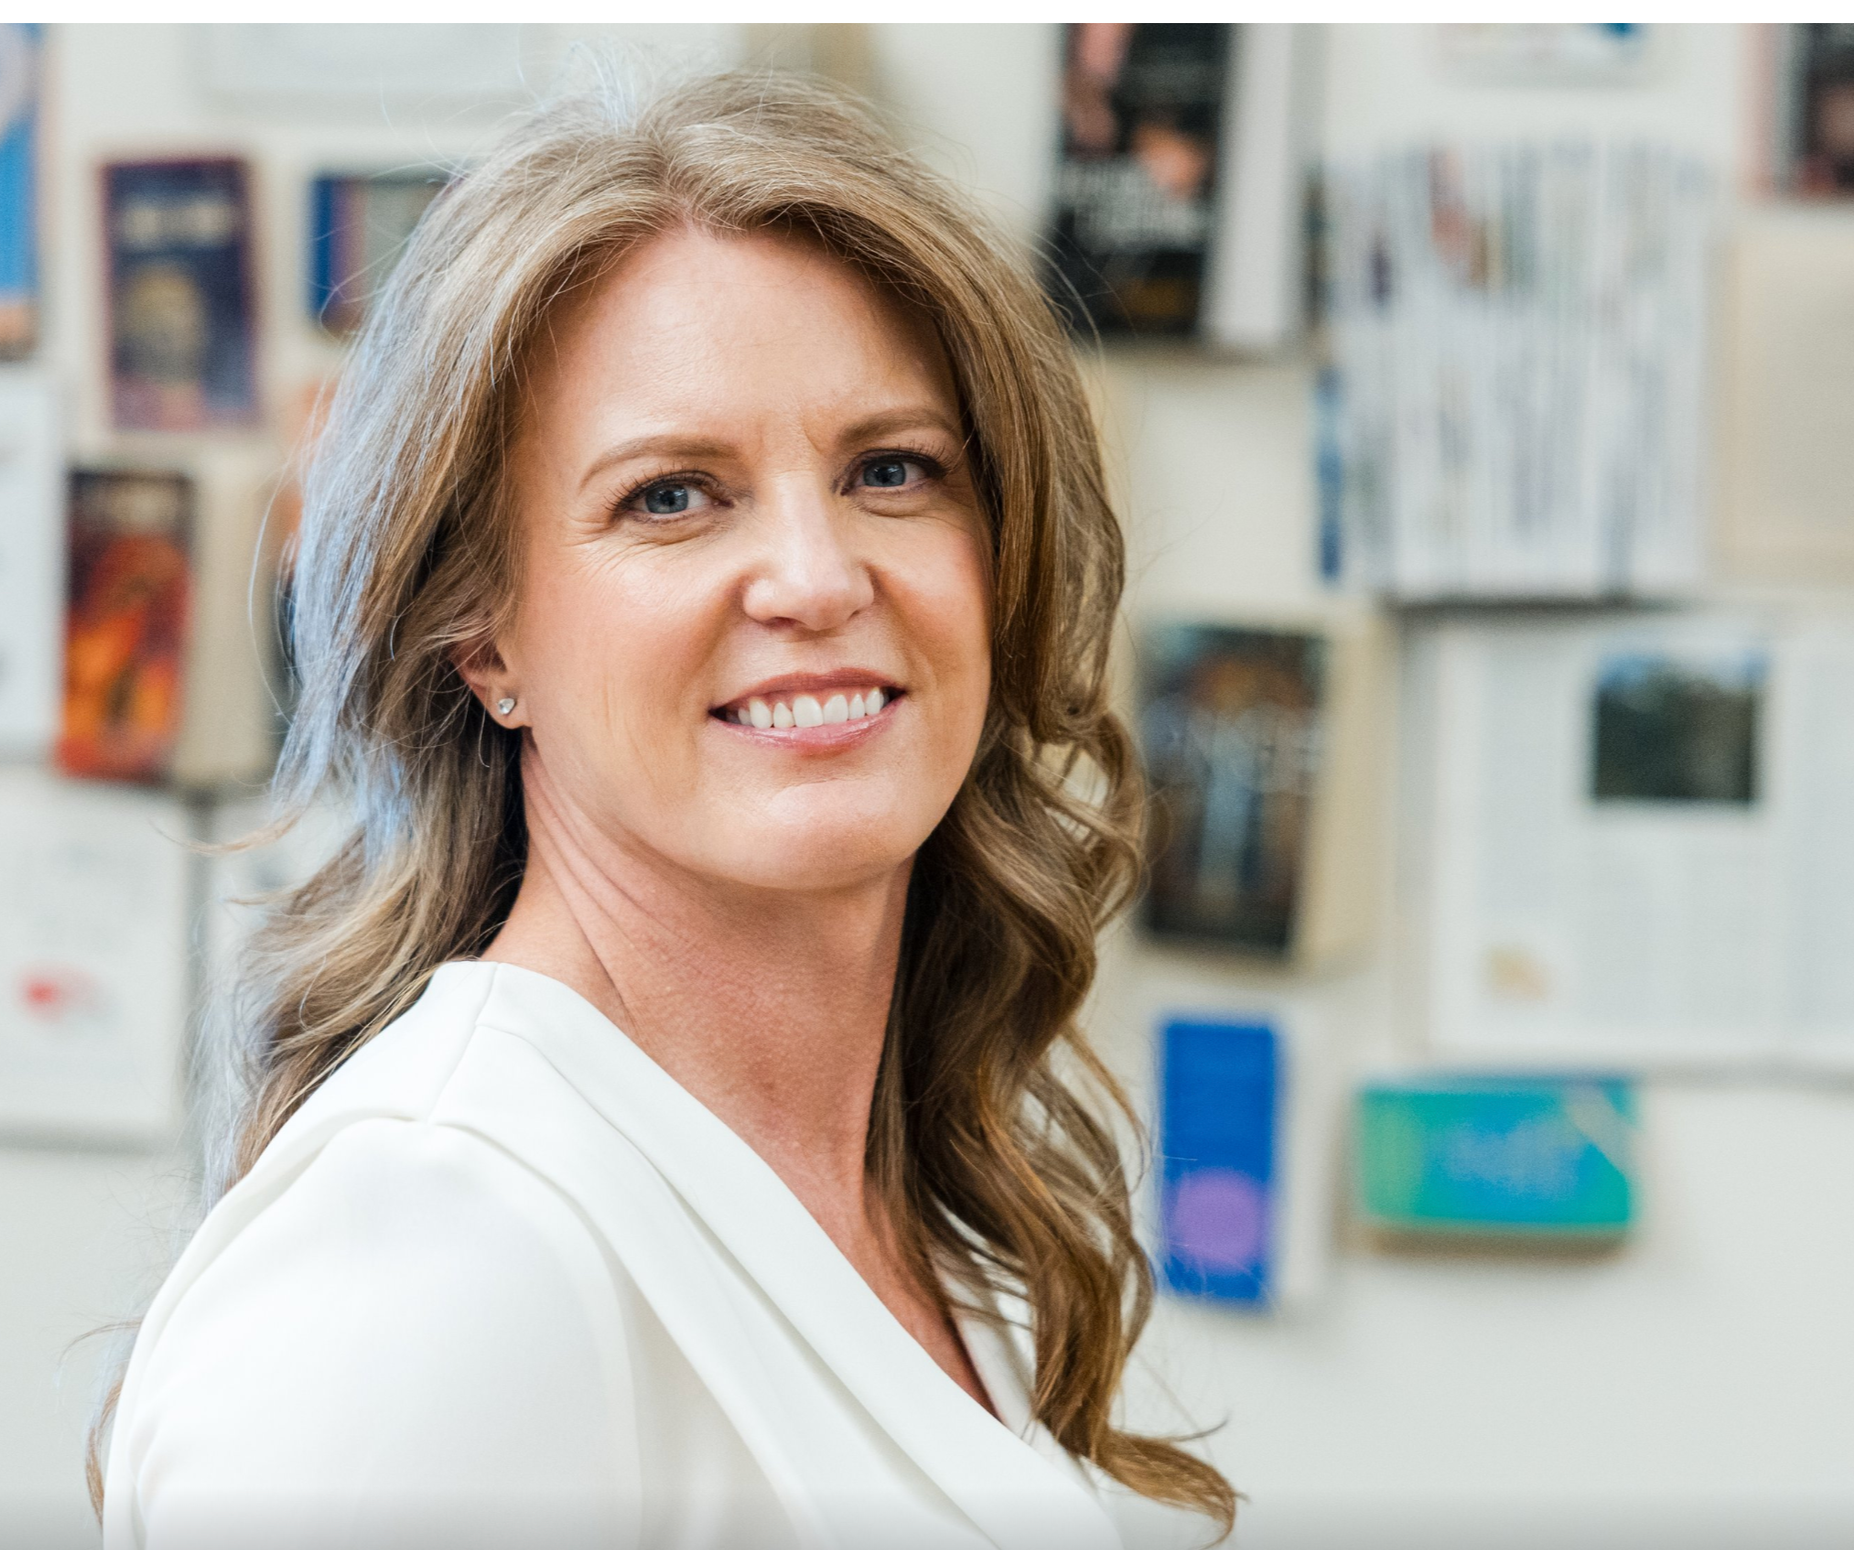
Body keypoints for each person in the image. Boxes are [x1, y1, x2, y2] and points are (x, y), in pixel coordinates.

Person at [96, 67, 1235, 1550]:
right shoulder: (452, 1255)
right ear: (484, 635)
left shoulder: (925, 1212)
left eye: (893, 470)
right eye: (673, 497)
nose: (820, 580)